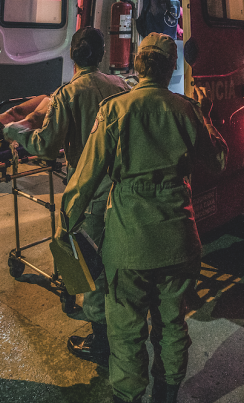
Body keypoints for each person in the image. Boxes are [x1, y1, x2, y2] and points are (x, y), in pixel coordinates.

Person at [58, 33, 228, 403]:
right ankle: (166, 394)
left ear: (137, 65)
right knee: (171, 324)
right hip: (178, 236)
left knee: (126, 329)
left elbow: (85, 177)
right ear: (170, 69)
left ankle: (128, 396)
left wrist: (66, 227)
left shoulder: (115, 109)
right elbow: (218, 162)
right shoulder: (187, 110)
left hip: (128, 240)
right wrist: (209, 119)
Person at [2, 27, 130, 366]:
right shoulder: (120, 87)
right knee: (117, 262)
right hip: (123, 191)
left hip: (88, 194)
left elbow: (46, 145)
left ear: (72, 56)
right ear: (101, 55)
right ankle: (123, 329)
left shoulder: (68, 94)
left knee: (92, 266)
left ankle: (101, 343)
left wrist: (13, 131)